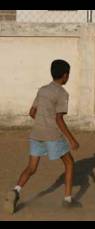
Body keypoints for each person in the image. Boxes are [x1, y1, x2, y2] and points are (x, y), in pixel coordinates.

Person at [3, 59, 81, 215]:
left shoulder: (42, 90)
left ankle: (16, 190)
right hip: (52, 135)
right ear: (65, 75)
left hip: (36, 134)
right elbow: (59, 119)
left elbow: (32, 112)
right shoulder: (62, 93)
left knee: (31, 168)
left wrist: (42, 123)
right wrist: (71, 139)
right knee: (70, 163)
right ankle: (67, 200)